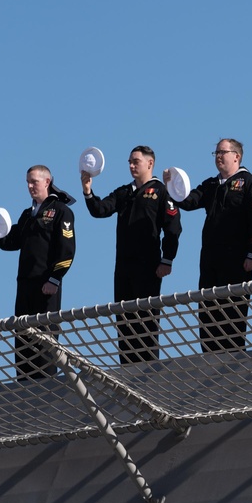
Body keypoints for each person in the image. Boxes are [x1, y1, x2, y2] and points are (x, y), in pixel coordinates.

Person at [83, 145, 181, 364]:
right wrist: (88, 191)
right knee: (124, 322)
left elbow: (173, 227)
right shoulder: (124, 192)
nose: (131, 165)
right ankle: (127, 374)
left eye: (135, 161)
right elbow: (99, 210)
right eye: (129, 161)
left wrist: (167, 259)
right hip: (124, 267)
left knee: (145, 322)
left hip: (149, 267)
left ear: (150, 163)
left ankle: (148, 376)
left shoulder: (161, 191)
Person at [167, 138, 252, 351]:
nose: (218, 157)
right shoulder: (211, 184)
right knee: (207, 314)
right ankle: (210, 363)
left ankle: (234, 367)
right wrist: (172, 185)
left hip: (237, 261)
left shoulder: (248, 182)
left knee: (232, 316)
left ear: (236, 156)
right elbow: (188, 201)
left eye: (223, 152)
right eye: (216, 153)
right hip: (210, 259)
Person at [0, 165, 76, 380]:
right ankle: (24, 391)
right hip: (24, 287)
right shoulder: (28, 214)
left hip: (46, 288)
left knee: (45, 345)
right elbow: (12, 241)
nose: (29, 186)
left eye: (34, 181)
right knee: (23, 343)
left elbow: (67, 250)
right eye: (27, 182)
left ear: (47, 182)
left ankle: (48, 395)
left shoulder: (62, 211)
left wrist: (54, 279)